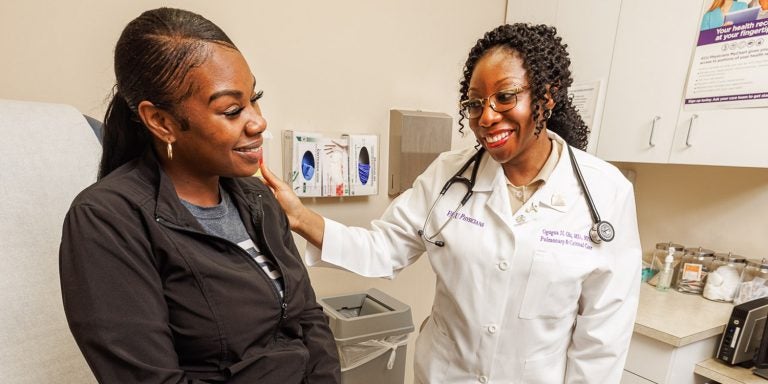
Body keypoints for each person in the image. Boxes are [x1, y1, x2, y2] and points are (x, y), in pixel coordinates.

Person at [260, 23, 641, 383]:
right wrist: (300, 217)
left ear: (547, 94)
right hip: (444, 374)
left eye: (505, 97)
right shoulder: (448, 175)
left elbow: (602, 340)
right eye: (475, 103)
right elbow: (383, 248)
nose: (487, 117)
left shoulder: (605, 193)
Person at [59, 7, 340, 383]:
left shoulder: (258, 199)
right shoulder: (107, 220)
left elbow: (308, 319)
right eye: (232, 110)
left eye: (254, 98)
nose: (258, 121)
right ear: (162, 122)